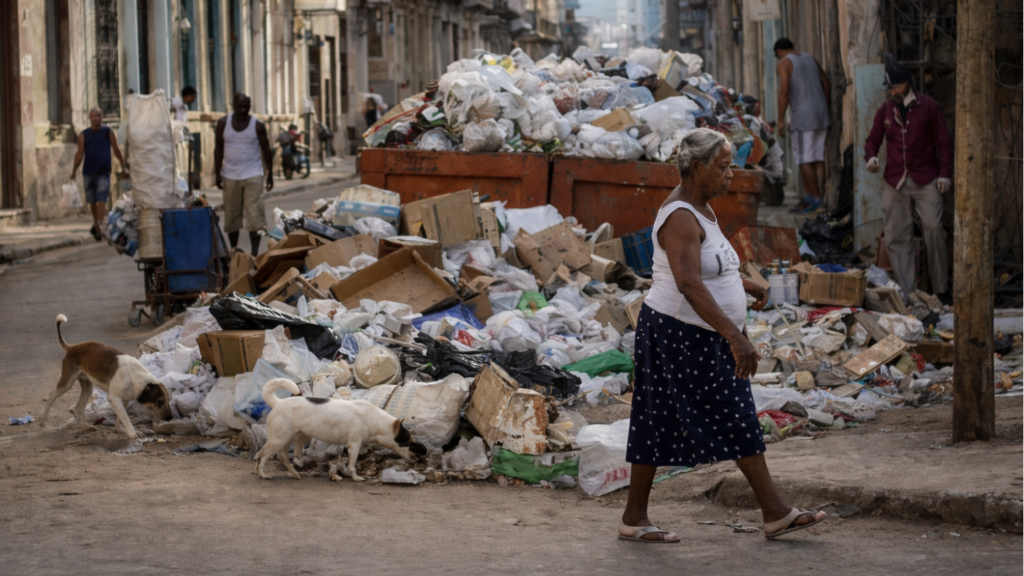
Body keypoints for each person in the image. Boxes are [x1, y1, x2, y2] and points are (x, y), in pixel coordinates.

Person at [618, 128, 827, 543]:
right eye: (723, 166)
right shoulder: (680, 216)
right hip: (679, 333)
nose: (731, 174)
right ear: (697, 168)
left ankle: (634, 517)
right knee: (733, 415)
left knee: (658, 419)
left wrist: (744, 286)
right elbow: (689, 284)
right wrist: (735, 336)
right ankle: (774, 511)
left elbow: (713, 267)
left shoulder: (704, 209)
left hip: (695, 332)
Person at [865, 54, 953, 302]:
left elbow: (945, 144)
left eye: (896, 86)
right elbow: (872, 140)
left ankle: (940, 290)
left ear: (908, 83)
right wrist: (871, 157)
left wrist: (945, 175)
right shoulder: (885, 109)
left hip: (926, 179)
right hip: (895, 180)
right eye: (890, 87)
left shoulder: (929, 107)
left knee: (934, 229)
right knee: (896, 235)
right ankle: (910, 294)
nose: (893, 90)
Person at [774, 38, 832, 214]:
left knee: (803, 159)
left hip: (803, 116)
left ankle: (818, 200)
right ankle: (811, 198)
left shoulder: (784, 63)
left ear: (779, 52)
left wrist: (781, 119)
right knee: (817, 157)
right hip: (821, 113)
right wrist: (824, 105)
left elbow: (784, 90)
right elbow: (826, 84)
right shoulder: (810, 58)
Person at [214, 92, 274, 256]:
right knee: (232, 218)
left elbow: (266, 150)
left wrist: (270, 174)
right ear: (233, 105)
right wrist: (217, 173)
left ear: (250, 107)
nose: (242, 109)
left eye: (246, 107)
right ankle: (234, 253)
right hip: (230, 175)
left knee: (255, 218)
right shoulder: (223, 123)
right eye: (239, 106)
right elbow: (218, 149)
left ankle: (254, 254)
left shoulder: (257, 125)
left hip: (253, 174)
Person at [70, 107, 129, 241]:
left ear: (102, 117)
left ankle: (98, 226)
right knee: (92, 201)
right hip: (88, 172)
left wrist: (123, 166)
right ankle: (97, 225)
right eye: (93, 116)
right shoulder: (84, 134)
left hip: (103, 171)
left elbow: (116, 149)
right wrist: (74, 170)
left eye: (98, 115)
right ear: (90, 118)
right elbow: (79, 154)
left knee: (102, 199)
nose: (95, 118)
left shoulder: (107, 132)